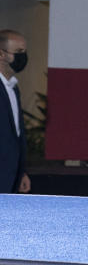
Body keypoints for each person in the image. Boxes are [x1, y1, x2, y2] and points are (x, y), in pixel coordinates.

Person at [0, 29, 31, 194]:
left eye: (24, 51)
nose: (23, 57)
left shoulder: (13, 87)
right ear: (1, 54)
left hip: (10, 177)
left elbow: (16, 135)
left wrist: (21, 172)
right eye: (18, 52)